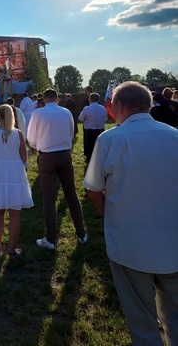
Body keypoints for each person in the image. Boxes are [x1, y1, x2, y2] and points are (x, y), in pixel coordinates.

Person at [83, 82, 178, 346]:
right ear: (148, 106)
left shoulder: (110, 139)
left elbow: (93, 190)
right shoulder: (174, 136)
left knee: (142, 321)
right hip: (173, 242)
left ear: (119, 107)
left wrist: (108, 216)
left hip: (129, 244)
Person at [27, 88, 87, 250]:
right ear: (57, 99)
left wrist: (37, 145)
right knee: (71, 194)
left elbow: (31, 137)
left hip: (47, 156)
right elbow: (70, 132)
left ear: (44, 100)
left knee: (48, 198)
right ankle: (81, 233)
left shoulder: (38, 113)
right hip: (64, 154)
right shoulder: (66, 112)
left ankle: (51, 238)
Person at [0, 105, 34, 262]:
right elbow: (24, 159)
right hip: (15, 173)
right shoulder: (18, 134)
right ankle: (12, 250)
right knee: (15, 212)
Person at [78, 93, 107, 163]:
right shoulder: (103, 108)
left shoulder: (87, 109)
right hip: (100, 130)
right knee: (99, 147)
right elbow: (105, 119)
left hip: (89, 131)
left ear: (90, 100)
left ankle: (91, 161)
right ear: (98, 99)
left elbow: (80, 118)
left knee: (90, 147)